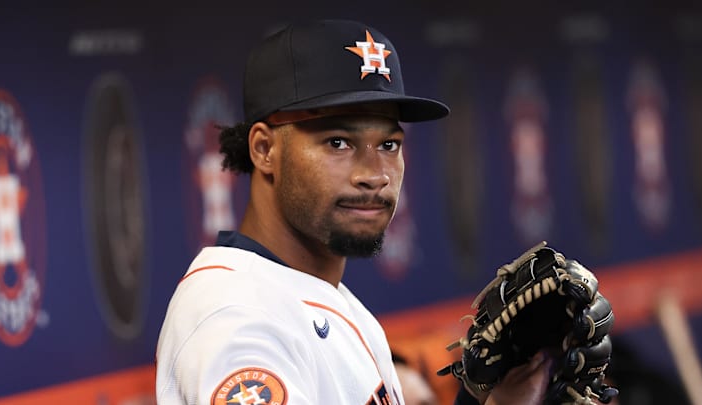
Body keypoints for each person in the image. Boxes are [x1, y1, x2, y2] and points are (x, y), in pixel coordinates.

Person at [155, 19, 551, 405]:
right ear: (264, 149)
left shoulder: (320, 297)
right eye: (339, 142)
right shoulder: (236, 319)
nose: (375, 175)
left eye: (389, 145)